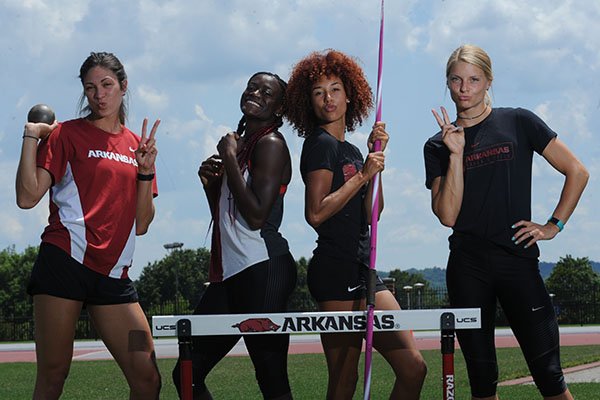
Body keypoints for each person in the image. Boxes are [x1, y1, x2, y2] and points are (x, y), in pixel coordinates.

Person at [424, 44, 589, 400]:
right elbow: (448, 215)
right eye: (456, 80)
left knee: (549, 377)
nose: (464, 88)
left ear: (488, 82)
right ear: (448, 84)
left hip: (517, 262)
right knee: (483, 384)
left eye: (474, 79)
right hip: (467, 267)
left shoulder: (518, 121)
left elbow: (577, 171)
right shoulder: (437, 145)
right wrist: (455, 154)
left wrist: (553, 225)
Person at [15, 52, 161, 399]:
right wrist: (30, 137)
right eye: (91, 87)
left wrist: (145, 171)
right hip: (64, 264)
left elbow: (142, 224)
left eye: (107, 85)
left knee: (148, 376)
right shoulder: (66, 134)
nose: (100, 95)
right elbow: (26, 197)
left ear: (123, 87)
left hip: (113, 279)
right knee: (53, 375)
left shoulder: (136, 146)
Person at [285, 49, 427, 399]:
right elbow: (315, 213)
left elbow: (372, 213)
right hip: (335, 271)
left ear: (350, 95)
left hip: (364, 268)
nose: (328, 98)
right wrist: (363, 175)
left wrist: (373, 164)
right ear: (310, 102)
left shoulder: (349, 149)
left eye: (335, 89)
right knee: (344, 380)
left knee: (414, 368)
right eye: (319, 92)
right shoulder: (318, 145)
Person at [172, 71, 297, 400]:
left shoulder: (270, 144)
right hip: (231, 273)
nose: (255, 93)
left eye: (266, 93)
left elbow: (256, 217)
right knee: (187, 373)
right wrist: (212, 186)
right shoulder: (243, 147)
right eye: (252, 87)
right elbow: (230, 218)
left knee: (271, 379)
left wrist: (228, 157)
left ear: (280, 109)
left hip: (263, 268)